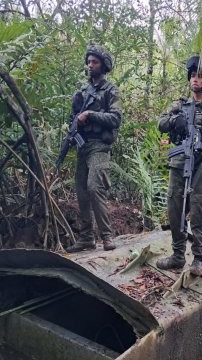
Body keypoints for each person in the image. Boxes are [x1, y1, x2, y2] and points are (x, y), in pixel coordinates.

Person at [156, 56, 202, 277]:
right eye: (192, 76)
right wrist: (174, 121)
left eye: (199, 76)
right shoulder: (179, 105)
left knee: (199, 212)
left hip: (201, 168)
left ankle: (198, 259)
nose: (194, 80)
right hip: (179, 164)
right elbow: (160, 123)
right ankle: (178, 256)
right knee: (175, 211)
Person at [66, 45, 122, 252]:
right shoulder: (81, 92)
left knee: (94, 187)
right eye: (89, 62)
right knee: (81, 190)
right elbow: (72, 117)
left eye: (95, 62)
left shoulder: (111, 91)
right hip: (83, 146)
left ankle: (107, 236)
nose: (90, 65)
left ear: (104, 65)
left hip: (100, 146)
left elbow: (116, 118)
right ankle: (86, 237)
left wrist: (90, 115)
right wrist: (73, 129)